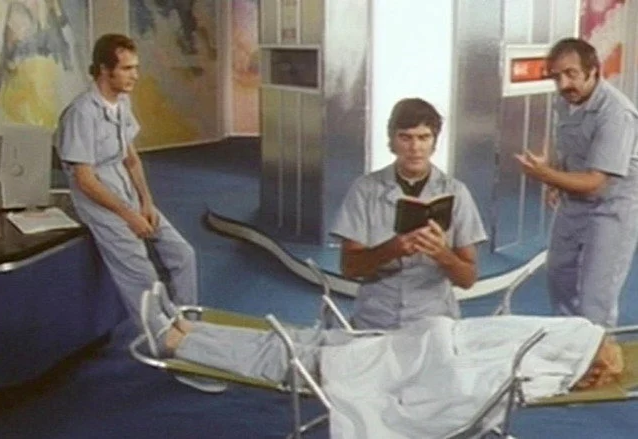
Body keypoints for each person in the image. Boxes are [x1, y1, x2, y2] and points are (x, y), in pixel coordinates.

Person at [140, 284, 625, 438]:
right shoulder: (551, 348)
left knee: (290, 358)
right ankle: (191, 330)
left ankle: (179, 342)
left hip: (390, 367)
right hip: (391, 347)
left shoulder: (541, 372)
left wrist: (436, 346)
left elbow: (466, 387)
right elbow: (485, 338)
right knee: (304, 339)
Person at [54, 34, 222, 392]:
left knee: (183, 254)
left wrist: (145, 202)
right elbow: (85, 180)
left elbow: (131, 159)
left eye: (136, 67)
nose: (135, 75)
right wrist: (128, 216)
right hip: (100, 202)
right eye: (128, 68)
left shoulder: (121, 102)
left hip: (128, 194)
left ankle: (187, 325)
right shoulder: (81, 113)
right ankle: (173, 351)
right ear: (105, 70)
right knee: (143, 278)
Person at [330, 98, 488, 330]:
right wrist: (391, 250)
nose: (415, 148)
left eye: (424, 137)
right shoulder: (364, 189)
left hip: (434, 319)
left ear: (434, 142)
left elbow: (467, 280)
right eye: (405, 137)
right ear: (392, 141)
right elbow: (350, 268)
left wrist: (442, 254)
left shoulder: (457, 193)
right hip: (376, 317)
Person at [515, 38, 638, 328]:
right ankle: (569, 343)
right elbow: (566, 141)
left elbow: (596, 183)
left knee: (595, 298)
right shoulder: (565, 100)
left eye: (571, 74)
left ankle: (597, 349)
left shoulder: (616, 114)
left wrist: (546, 175)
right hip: (573, 201)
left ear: (593, 71)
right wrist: (556, 174)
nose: (563, 84)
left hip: (611, 208)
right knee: (559, 277)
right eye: (556, 76)